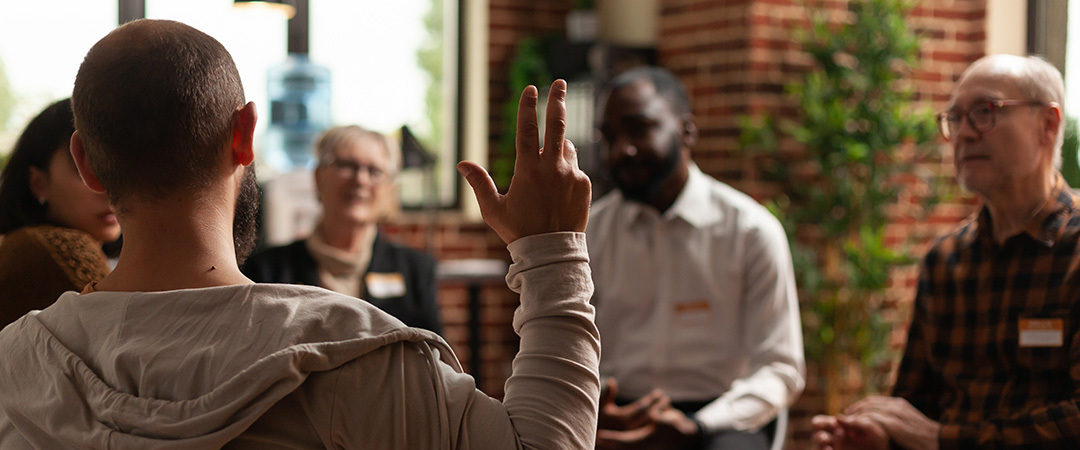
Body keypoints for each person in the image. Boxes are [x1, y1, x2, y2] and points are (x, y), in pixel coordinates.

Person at [0, 19, 598, 449]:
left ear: (86, 162)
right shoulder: (351, 356)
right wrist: (553, 253)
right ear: (246, 136)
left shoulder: (17, 367)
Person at [812, 55, 1080, 449]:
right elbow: (918, 404)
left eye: (985, 112)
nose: (964, 134)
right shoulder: (946, 259)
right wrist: (882, 436)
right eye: (955, 119)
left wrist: (943, 439)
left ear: (1048, 124)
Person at [587, 66, 805, 450]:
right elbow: (571, 349)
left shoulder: (750, 232)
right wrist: (592, 405)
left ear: (687, 130)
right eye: (610, 136)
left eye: (639, 129)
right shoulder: (590, 232)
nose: (622, 150)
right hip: (614, 411)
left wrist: (697, 426)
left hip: (720, 416)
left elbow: (780, 368)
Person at [243, 125, 443, 335]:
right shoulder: (266, 271)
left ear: (390, 190)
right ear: (318, 177)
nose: (360, 180)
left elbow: (433, 360)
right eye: (347, 165)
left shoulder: (415, 271)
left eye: (374, 171)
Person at [0, 98, 121, 328]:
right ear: (38, 183)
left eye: (117, 167)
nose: (108, 188)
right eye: (87, 168)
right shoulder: (59, 251)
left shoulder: (25, 243)